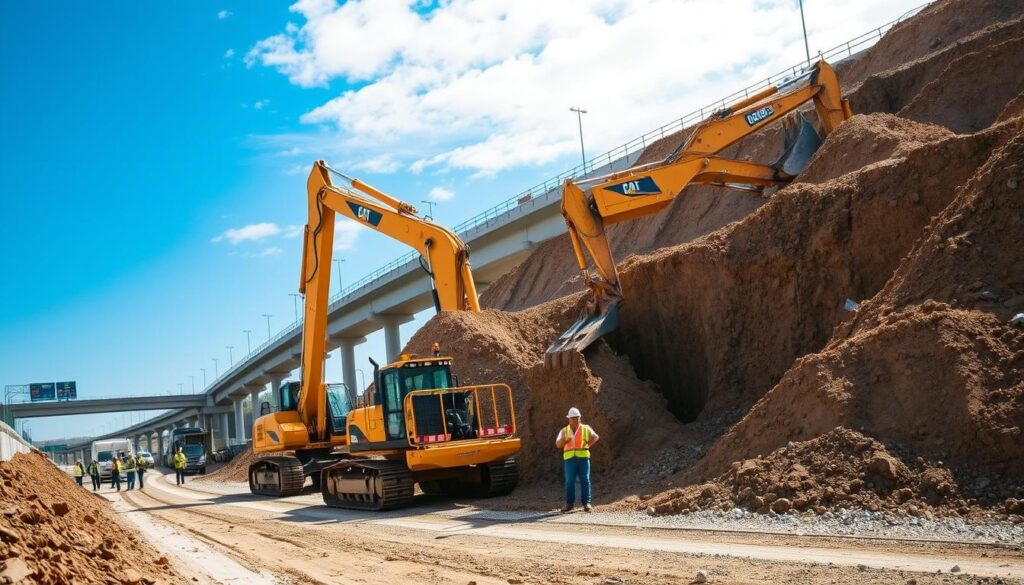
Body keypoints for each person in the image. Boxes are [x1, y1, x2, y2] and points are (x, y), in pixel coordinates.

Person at [554, 407, 599, 513]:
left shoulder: (585, 428)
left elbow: (595, 437)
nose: (574, 420)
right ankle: (569, 504)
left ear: (579, 418)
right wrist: (564, 439)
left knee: (585, 480)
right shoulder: (564, 431)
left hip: (583, 458)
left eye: (576, 418)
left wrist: (587, 445)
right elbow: (558, 444)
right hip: (569, 460)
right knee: (569, 481)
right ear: (568, 419)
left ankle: (586, 503)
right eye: (572, 418)